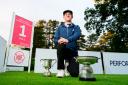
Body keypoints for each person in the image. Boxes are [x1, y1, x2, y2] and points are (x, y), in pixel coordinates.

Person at [54, 10, 81, 78]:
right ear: (64, 17)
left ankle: (67, 66)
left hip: (73, 51)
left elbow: (77, 35)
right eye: (66, 14)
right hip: (63, 50)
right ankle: (61, 70)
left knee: (74, 74)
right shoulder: (59, 28)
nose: (68, 15)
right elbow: (55, 39)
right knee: (60, 45)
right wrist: (59, 41)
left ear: (72, 16)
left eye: (69, 14)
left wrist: (67, 40)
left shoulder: (76, 27)